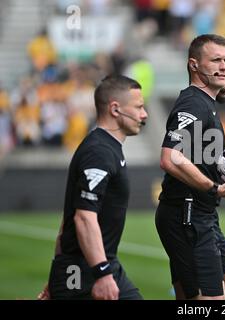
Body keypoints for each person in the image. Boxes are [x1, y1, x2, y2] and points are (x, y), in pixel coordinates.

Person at [155, 34, 225, 300]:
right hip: (186, 215)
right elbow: (170, 157)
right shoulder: (192, 103)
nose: (224, 66)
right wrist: (215, 188)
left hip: (204, 216)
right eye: (215, 60)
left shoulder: (207, 105)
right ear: (194, 65)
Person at [39, 75, 148, 300]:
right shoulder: (99, 152)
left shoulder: (108, 148)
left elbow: (67, 221)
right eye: (138, 107)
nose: (144, 114)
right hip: (85, 272)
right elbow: (83, 218)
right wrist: (102, 274)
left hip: (100, 266)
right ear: (115, 109)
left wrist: (57, 275)